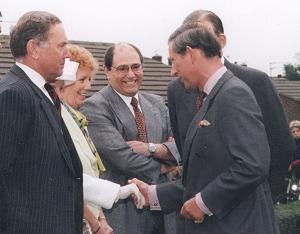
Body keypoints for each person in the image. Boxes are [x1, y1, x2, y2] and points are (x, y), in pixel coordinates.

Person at [131, 22, 280, 234]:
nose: (172, 71)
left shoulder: (233, 94)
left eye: (174, 61)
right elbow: (206, 174)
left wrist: (203, 203)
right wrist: (152, 195)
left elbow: (253, 165)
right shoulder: (213, 97)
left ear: (191, 54)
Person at [167, 9, 293, 200]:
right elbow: (186, 151)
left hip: (246, 209)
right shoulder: (176, 89)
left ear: (221, 40)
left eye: (204, 36)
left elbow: (281, 146)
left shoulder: (254, 81)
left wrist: (264, 199)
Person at [80, 42, 180, 234]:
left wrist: (151, 148)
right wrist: (164, 164)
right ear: (107, 71)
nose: (131, 75)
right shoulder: (94, 108)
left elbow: (180, 147)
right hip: (124, 216)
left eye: (135, 67)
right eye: (122, 68)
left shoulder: (157, 103)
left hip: (165, 214)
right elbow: (124, 159)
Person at [0, 11, 84, 233]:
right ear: (34, 49)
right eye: (61, 46)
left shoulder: (42, 92)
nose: (67, 54)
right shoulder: (14, 95)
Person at [53, 44, 145, 234]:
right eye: (82, 80)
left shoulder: (75, 117)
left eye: (90, 79)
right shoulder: (56, 120)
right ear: (63, 81)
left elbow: (91, 173)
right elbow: (66, 180)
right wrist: (95, 224)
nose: (88, 86)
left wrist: (101, 219)